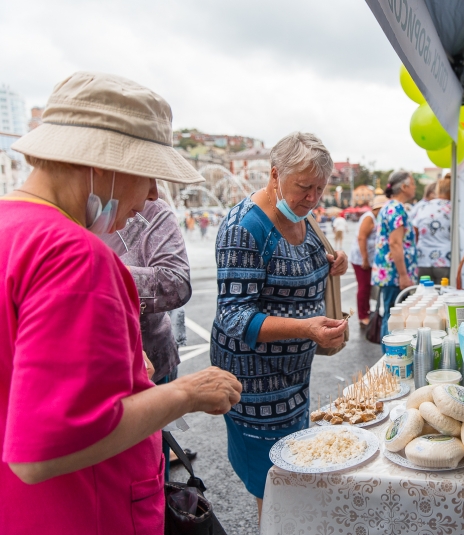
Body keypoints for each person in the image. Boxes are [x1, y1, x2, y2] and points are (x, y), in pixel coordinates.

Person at [0, 71, 242, 535]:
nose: (154, 193)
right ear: (103, 163)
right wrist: (185, 393)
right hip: (86, 512)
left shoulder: (14, 228)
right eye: (149, 173)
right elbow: (43, 450)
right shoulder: (75, 254)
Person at [211, 132, 348, 518]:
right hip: (253, 383)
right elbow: (234, 315)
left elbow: (312, 263)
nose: (312, 198)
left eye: (319, 189)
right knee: (272, 486)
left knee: (292, 472)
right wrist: (305, 329)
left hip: (293, 378)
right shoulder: (245, 227)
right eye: (303, 187)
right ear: (274, 175)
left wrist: (338, 264)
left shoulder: (306, 217)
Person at [101, 198, 194, 478]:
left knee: (150, 475)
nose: (154, 190)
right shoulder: (60, 216)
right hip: (97, 374)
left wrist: (100, 273)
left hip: (151, 362)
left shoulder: (154, 210)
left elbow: (176, 283)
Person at [372, 170, 418, 339]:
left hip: (391, 272)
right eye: (412, 184)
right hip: (395, 274)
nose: (414, 187)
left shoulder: (389, 207)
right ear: (404, 187)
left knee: (391, 315)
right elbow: (395, 243)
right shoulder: (396, 209)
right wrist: (404, 275)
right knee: (394, 317)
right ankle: (389, 358)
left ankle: (390, 356)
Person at [350, 195, 387, 326]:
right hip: (361, 259)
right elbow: (361, 238)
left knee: (368, 286)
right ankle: (362, 315)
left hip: (369, 258)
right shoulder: (369, 218)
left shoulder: (376, 218)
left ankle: (366, 310)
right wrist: (365, 259)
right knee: (364, 287)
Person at [413, 174, 452, 283]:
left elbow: (414, 231)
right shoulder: (454, 208)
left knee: (424, 296)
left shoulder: (423, 207)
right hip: (445, 260)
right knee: (444, 295)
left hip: (423, 259)